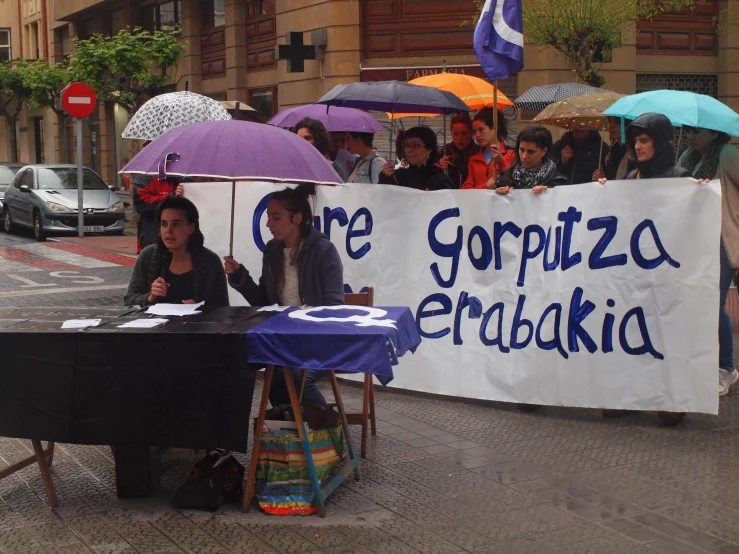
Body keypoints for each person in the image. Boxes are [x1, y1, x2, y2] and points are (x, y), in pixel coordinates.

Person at [599, 113, 691, 425]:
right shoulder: (629, 178)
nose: (637, 147)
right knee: (632, 331)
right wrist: (603, 193)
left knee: (665, 333)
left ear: (660, 141)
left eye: (644, 140)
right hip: (633, 271)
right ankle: (631, 395)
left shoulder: (680, 177)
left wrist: (700, 193)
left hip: (665, 272)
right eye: (635, 141)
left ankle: (672, 399)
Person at [224, 183, 344, 407]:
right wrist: (240, 276)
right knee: (243, 364)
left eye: (276, 217)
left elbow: (334, 307)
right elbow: (263, 303)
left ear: (297, 218)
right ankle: (287, 428)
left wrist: (304, 321)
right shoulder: (272, 251)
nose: (268, 224)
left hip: (316, 340)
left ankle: (330, 428)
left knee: (299, 378)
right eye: (269, 217)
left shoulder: (323, 251)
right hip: (281, 339)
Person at [678, 126, 739, 396]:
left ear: (715, 133)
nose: (689, 135)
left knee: (713, 302)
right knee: (697, 302)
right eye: (686, 130)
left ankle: (726, 369)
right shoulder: (687, 158)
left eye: (695, 131)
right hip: (695, 241)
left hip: (722, 240)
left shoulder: (727, 154)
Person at [124, 196, 229, 307]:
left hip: (196, 324)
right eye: (164, 224)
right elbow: (129, 299)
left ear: (191, 228)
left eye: (176, 224)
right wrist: (149, 298)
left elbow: (223, 308)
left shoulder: (210, 261)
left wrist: (202, 309)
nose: (168, 230)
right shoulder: (147, 256)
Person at [493, 125, 568, 194]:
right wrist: (501, 191)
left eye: (531, 152)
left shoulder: (558, 182)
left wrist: (549, 193)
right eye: (521, 150)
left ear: (544, 151)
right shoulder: (506, 177)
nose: (524, 156)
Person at [132, 160, 184, 253]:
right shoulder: (147, 176)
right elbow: (142, 203)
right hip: (152, 237)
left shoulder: (183, 175)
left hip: (178, 239)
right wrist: (171, 197)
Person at [379, 126, 453, 191]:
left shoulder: (441, 181)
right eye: (406, 145)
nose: (409, 150)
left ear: (429, 150)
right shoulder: (398, 176)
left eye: (416, 145)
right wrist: (385, 178)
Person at [461, 108, 516, 189]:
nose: (477, 135)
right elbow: (466, 189)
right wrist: (485, 186)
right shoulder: (474, 159)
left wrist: (501, 162)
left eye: (481, 129)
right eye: (474, 131)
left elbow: (514, 182)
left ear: (494, 128)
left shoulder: (511, 154)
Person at [439, 112, 480, 188]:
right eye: (455, 134)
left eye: (463, 133)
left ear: (472, 133)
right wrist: (439, 168)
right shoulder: (444, 152)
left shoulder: (479, 152)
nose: (460, 138)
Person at [593, 117, 636, 181]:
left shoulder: (634, 155)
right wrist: (602, 178)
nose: (611, 126)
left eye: (617, 122)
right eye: (610, 121)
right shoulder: (611, 153)